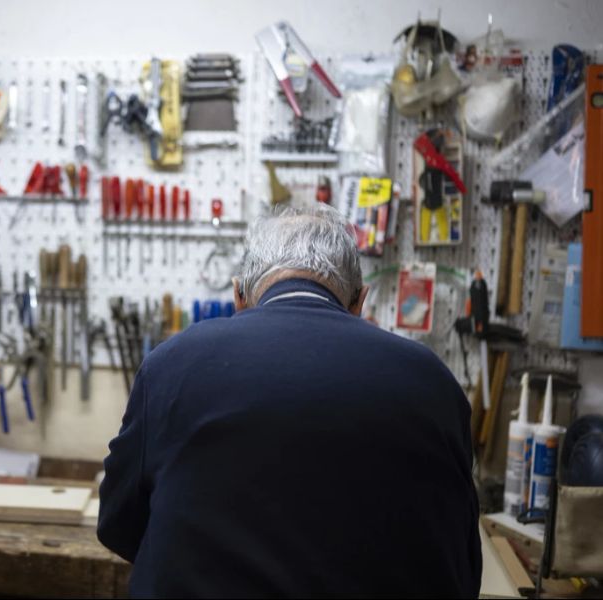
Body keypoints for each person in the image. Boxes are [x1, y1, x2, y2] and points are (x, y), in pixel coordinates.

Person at [97, 203, 481, 598]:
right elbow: (463, 561)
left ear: (238, 296)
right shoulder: (432, 381)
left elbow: (118, 524)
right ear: (359, 302)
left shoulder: (171, 365)